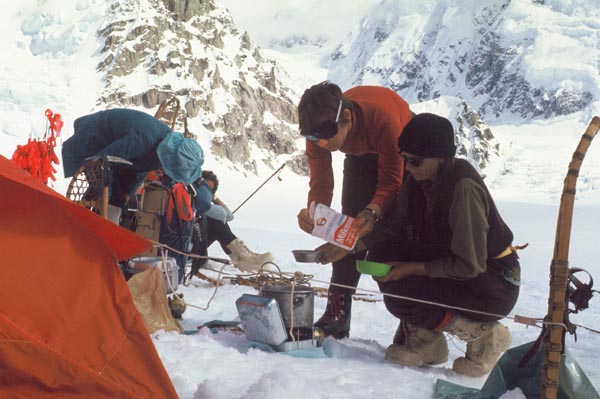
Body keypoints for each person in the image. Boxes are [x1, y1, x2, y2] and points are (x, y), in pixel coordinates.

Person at [319, 113, 520, 377]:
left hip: (492, 285)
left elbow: (468, 265)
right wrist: (350, 245)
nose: (408, 166)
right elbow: (394, 226)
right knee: (382, 256)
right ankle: (428, 343)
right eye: (404, 159)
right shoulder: (419, 178)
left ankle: (484, 336)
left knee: (404, 289)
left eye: (414, 161)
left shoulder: (463, 189)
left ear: (441, 157)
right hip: (459, 271)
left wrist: (412, 268)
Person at [296, 81, 413, 338]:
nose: (322, 144)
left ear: (346, 117)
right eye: (314, 139)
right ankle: (337, 314)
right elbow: (321, 181)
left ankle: (412, 321)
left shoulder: (383, 121)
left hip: (402, 149)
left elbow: (391, 182)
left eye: (326, 136)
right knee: (346, 231)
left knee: (400, 232)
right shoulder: (319, 129)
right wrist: (315, 213)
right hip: (359, 155)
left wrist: (372, 212)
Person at [62, 108, 204, 210]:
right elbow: (103, 163)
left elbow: (142, 167)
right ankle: (82, 227)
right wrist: (110, 197)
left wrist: (127, 192)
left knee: (118, 200)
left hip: (115, 155)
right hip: (95, 140)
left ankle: (100, 227)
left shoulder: (164, 146)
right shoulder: (142, 139)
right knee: (108, 195)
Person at [190, 170, 274, 274]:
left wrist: (214, 198)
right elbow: (224, 215)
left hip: (194, 246)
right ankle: (243, 258)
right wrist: (212, 199)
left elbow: (229, 216)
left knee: (218, 222)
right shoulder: (195, 202)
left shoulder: (202, 205)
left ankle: (243, 257)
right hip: (188, 250)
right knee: (217, 223)